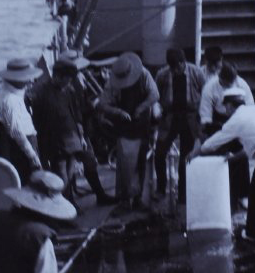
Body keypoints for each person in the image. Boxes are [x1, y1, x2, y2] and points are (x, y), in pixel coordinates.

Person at [191, 88, 255, 243]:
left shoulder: (236, 119)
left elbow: (216, 141)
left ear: (231, 105)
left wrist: (196, 152)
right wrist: (235, 157)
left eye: (226, 107)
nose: (225, 110)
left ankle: (251, 233)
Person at [30, 51, 117, 208]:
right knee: (64, 175)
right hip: (56, 141)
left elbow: (76, 113)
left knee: (90, 162)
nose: (69, 83)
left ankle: (100, 195)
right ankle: (68, 205)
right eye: (67, 80)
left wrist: (82, 135)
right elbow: (39, 122)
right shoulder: (41, 93)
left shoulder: (68, 90)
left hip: (75, 136)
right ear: (57, 76)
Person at [99, 52, 159, 207]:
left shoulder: (144, 74)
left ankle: (139, 197)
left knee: (142, 163)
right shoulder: (112, 82)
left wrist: (141, 108)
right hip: (124, 127)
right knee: (125, 165)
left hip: (143, 125)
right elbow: (103, 103)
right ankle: (124, 198)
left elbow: (154, 94)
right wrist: (118, 112)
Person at [199, 61, 255, 210]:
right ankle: (219, 193)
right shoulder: (210, 87)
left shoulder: (242, 85)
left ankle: (243, 195)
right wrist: (207, 137)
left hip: (239, 119)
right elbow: (205, 115)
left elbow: (250, 108)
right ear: (219, 78)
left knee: (240, 157)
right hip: (218, 122)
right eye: (225, 84)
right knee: (218, 158)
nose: (228, 87)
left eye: (231, 84)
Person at [154, 48, 205, 204]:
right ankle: (161, 188)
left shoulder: (196, 73)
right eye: (172, 68)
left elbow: (205, 94)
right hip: (170, 118)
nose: (175, 71)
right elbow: (156, 96)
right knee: (159, 153)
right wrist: (156, 108)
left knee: (186, 157)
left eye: (178, 67)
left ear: (183, 63)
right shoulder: (162, 75)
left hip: (190, 118)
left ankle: (183, 193)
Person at [0, 58, 43, 183]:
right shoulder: (10, 101)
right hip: (23, 144)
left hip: (22, 140)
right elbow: (16, 132)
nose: (31, 81)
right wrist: (32, 156)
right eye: (27, 78)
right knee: (32, 177)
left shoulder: (1, 88)